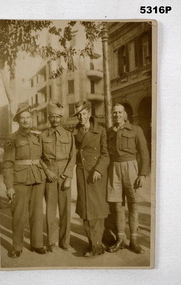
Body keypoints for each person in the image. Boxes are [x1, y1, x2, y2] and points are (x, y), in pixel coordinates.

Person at [2, 102, 47, 258]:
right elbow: (7, 164)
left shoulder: (37, 136)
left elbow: (42, 158)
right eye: (23, 118)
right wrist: (9, 186)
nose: (26, 120)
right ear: (18, 121)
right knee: (18, 215)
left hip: (37, 178)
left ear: (32, 119)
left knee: (37, 213)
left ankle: (37, 244)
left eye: (28, 117)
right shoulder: (12, 139)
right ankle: (17, 246)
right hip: (20, 180)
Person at [107, 103, 150, 254]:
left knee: (133, 205)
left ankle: (134, 240)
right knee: (117, 206)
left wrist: (143, 174)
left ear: (124, 114)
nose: (117, 115)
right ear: (112, 115)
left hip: (131, 168)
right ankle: (120, 240)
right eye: (114, 113)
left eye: (119, 112)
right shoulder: (109, 132)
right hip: (114, 169)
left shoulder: (136, 130)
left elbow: (144, 152)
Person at [72, 101, 110, 257]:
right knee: (85, 210)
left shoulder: (100, 131)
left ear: (89, 113)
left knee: (97, 209)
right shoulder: (75, 132)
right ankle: (92, 243)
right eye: (78, 115)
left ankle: (97, 244)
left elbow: (106, 154)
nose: (81, 117)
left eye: (83, 113)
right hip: (82, 173)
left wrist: (99, 170)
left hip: (96, 174)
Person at [40, 101, 76, 252]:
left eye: (57, 117)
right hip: (50, 173)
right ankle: (52, 242)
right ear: (49, 118)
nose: (55, 120)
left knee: (65, 209)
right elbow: (39, 157)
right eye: (52, 117)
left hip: (64, 173)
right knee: (50, 210)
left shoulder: (69, 135)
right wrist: (47, 171)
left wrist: (68, 177)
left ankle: (65, 241)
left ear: (61, 118)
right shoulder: (42, 136)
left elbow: (73, 156)